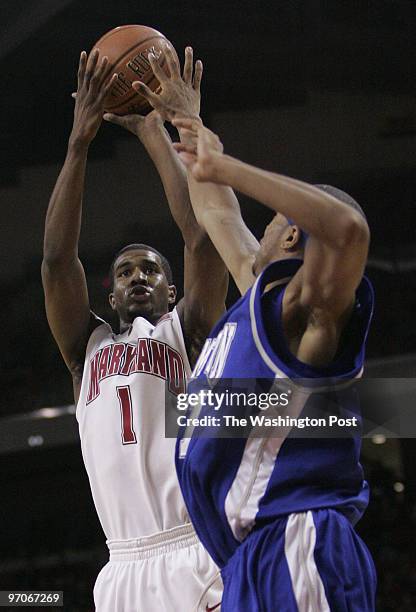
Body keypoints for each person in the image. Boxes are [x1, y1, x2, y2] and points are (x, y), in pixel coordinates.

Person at [136, 59, 376, 611]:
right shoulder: (259, 298)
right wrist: (187, 122)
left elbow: (348, 230)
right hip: (246, 561)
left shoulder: (308, 313)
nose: (255, 226)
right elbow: (215, 208)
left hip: (297, 542)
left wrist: (229, 166)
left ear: (292, 231)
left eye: (268, 221)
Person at [41, 47, 227, 611]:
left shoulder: (187, 331)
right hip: (121, 564)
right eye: (125, 271)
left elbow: (199, 235)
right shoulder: (85, 349)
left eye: (151, 269)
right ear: (110, 292)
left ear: (171, 291)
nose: (138, 276)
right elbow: (55, 261)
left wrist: (153, 132)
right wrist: (79, 144)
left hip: (194, 545)